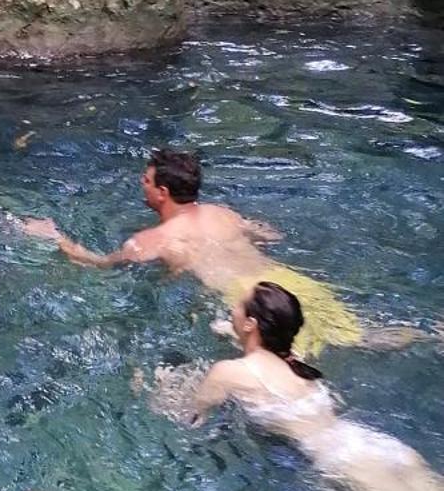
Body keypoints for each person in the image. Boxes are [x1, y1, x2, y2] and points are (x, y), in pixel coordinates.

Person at [172, 280, 444, 491]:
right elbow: (264, 351)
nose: (232, 308)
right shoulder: (295, 361)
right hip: (375, 445)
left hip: (347, 466)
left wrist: (160, 385)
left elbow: (190, 419)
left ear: (251, 323)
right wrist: (234, 331)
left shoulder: (227, 372)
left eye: (238, 306)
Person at [18, 146, 368, 356]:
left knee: (293, 365)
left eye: (146, 181)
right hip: (286, 282)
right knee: (360, 338)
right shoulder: (225, 213)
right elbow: (271, 235)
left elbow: (98, 265)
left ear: (162, 192)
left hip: (249, 304)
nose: (142, 185)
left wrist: (54, 237)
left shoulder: (149, 242)